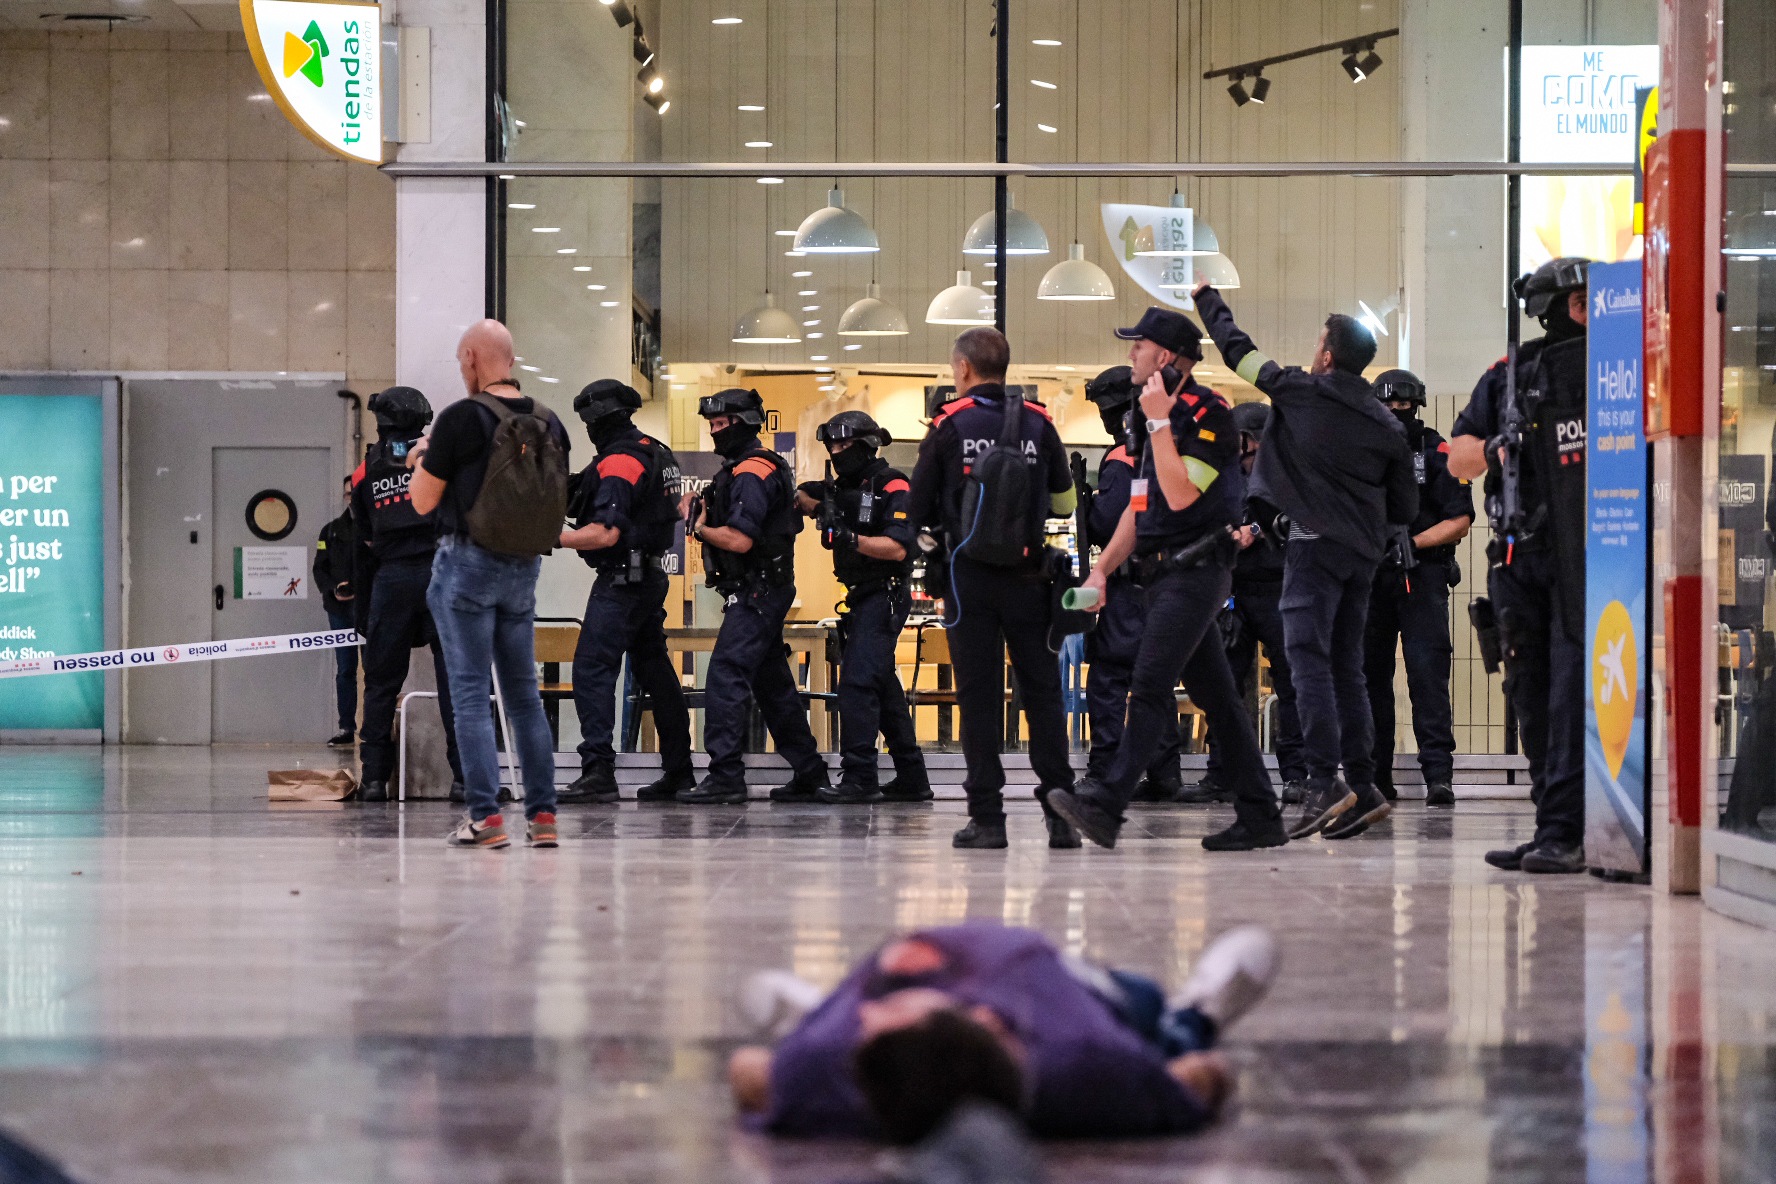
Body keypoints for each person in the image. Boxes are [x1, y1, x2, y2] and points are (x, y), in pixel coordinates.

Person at [1046, 308, 1287, 853]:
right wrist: (1101, 571)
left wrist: (1158, 424)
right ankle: (1261, 815)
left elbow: (1182, 495)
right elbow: (1140, 505)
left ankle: (1106, 805)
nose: (1130, 353)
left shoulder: (1209, 414)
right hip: (1159, 575)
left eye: (1139, 345)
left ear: (1168, 357)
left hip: (1198, 573)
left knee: (1149, 686)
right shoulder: (1143, 416)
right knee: (1220, 700)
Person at [1190, 281, 1418, 844]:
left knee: (1308, 662)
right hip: (1361, 558)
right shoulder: (1386, 423)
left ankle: (1322, 780)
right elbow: (1405, 507)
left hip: (1313, 550)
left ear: (1326, 355)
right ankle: (1363, 785)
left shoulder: (1298, 390)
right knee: (1348, 668)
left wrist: (1206, 300)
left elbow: (1237, 350)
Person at [726, 922, 1279, 1143]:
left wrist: (819, 1047)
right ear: (987, 1023)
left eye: (877, 1023)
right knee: (1146, 1004)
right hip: (1079, 992)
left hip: (838, 1050)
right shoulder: (1088, 1063)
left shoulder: (831, 1067)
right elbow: (1202, 1080)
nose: (871, 1014)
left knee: (824, 1025)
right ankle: (1196, 1012)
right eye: (890, 1014)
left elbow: (749, 1073)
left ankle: (813, 1009)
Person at [907, 328, 1081, 850]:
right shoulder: (1039, 423)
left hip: (968, 580)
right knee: (1043, 696)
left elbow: (915, 512)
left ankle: (987, 820)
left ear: (962, 368)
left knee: (978, 699)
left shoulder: (948, 426)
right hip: (1030, 579)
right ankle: (1060, 815)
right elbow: (1065, 506)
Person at [1448, 257, 1593, 874]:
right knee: (1528, 696)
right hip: (1515, 556)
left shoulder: (1617, 370)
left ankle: (1572, 830)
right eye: (1581, 298)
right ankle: (1550, 825)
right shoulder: (1509, 375)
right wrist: (1496, 446)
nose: (1590, 308)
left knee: (1570, 698)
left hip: (1582, 560)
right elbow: (1457, 459)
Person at [407, 319, 568, 850]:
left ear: (474, 357)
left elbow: (424, 501)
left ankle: (487, 818)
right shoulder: (551, 422)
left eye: (460, 361)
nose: (461, 370)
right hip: (524, 568)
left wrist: (421, 461)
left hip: (466, 565)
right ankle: (543, 818)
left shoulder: (460, 419)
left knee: (472, 695)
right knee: (524, 696)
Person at [677, 388, 830, 805]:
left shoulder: (753, 470)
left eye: (721, 424)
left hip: (759, 590)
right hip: (759, 589)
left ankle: (725, 775)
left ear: (743, 423)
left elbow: (741, 540)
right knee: (773, 686)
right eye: (710, 425)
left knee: (725, 674)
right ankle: (811, 772)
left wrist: (698, 528)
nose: (714, 432)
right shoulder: (743, 469)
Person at [555, 380, 695, 805]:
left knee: (592, 668)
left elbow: (604, 531)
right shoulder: (657, 450)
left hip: (622, 580)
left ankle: (598, 770)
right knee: (655, 671)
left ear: (598, 419)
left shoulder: (619, 461)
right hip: (648, 578)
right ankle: (679, 769)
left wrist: (550, 537)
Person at [794, 411, 932, 803]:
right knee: (881, 686)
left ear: (869, 445)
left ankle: (860, 778)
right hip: (860, 596)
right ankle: (912, 777)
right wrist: (813, 506)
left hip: (884, 593)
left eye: (844, 446)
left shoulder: (893, 485)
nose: (837, 453)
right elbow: (808, 505)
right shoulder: (841, 488)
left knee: (856, 684)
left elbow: (899, 547)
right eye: (831, 447)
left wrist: (849, 537)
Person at [348, 386, 464, 804]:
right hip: (441, 573)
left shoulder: (365, 471)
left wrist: (364, 610)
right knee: (456, 682)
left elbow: (360, 541)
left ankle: (374, 781)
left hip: (391, 580)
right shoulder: (435, 458)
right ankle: (465, 780)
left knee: (380, 684)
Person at [1364, 370, 1474, 809]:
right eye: (1386, 406)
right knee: (1370, 679)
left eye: (1403, 405)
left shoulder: (1437, 450)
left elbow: (1461, 520)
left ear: (1418, 405)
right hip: (1371, 577)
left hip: (1421, 575)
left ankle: (1438, 778)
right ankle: (1375, 779)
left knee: (1427, 677)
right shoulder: (1359, 451)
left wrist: (1412, 543)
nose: (1395, 412)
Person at [1191, 401, 1308, 806]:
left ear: (1253, 439)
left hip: (1279, 588)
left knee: (1291, 685)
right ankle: (1221, 773)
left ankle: (1297, 774)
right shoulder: (1224, 476)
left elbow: (1296, 518)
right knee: (1224, 685)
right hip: (1234, 592)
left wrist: (1255, 529)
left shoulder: (1287, 474)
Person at [1080, 366, 1183, 802]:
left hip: (1129, 586)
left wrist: (1086, 505)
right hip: (1167, 583)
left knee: (1108, 675)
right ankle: (1165, 773)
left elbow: (1114, 520)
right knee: (1154, 678)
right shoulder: (1168, 445)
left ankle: (1105, 768)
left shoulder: (1123, 457)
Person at [314, 475, 359, 749]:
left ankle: (376, 728)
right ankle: (346, 727)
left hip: (369, 607)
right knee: (345, 669)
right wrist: (334, 588)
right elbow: (320, 568)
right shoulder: (330, 532)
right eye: (347, 494)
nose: (351, 497)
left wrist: (359, 589)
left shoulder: (376, 528)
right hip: (339, 608)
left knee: (378, 669)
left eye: (355, 492)